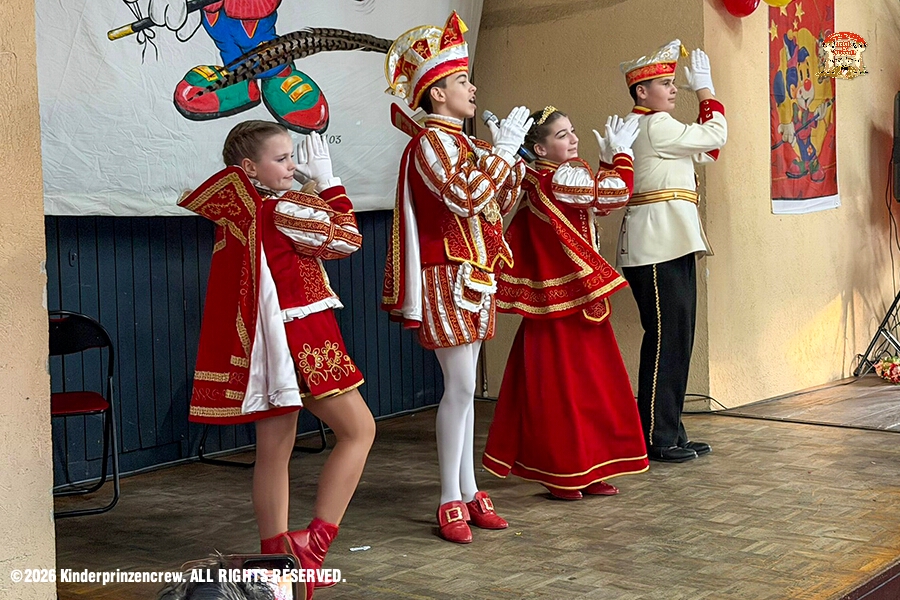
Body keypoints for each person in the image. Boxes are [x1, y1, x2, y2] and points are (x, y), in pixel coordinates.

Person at [179, 121, 376, 600]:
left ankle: (276, 562)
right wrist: (328, 183)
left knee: (273, 452)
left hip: (267, 342)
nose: (293, 166)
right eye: (283, 158)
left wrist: (307, 189)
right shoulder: (285, 207)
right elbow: (348, 239)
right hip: (303, 336)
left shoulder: (245, 214)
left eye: (293, 156)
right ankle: (313, 545)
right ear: (250, 168)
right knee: (359, 431)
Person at [381, 12, 531, 543]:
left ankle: (467, 489)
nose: (473, 88)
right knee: (462, 385)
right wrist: (501, 154)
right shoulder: (429, 143)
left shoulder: (464, 145)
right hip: (445, 272)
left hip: (475, 272)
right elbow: (463, 197)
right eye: (463, 80)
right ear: (438, 93)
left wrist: (509, 160)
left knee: (464, 389)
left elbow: (495, 207)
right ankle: (449, 495)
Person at [482, 106, 649, 500]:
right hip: (560, 306)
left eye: (572, 131)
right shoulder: (552, 178)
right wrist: (621, 156)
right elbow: (612, 193)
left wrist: (606, 162)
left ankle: (591, 467)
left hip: (574, 301)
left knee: (591, 389)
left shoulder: (556, 176)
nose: (573, 139)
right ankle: (563, 471)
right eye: (562, 135)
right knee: (562, 392)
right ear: (540, 149)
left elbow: (597, 203)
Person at [616, 40, 727, 463]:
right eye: (665, 83)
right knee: (667, 340)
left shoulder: (658, 126)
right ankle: (657, 436)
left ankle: (669, 430)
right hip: (657, 244)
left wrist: (702, 102)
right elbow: (716, 135)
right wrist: (706, 90)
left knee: (676, 339)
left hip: (668, 242)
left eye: (673, 82)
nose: (673, 88)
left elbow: (708, 150)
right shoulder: (654, 125)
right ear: (642, 91)